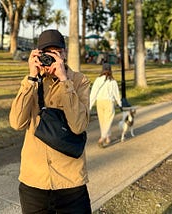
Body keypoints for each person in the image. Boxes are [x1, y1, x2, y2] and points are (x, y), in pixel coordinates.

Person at [9, 29, 92, 213]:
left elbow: (79, 126)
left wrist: (64, 80)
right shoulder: (32, 80)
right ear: (38, 54)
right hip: (34, 181)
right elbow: (16, 122)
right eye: (48, 54)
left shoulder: (79, 81)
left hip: (70, 182)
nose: (52, 59)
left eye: (57, 53)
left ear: (64, 54)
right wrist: (31, 77)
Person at [89, 63, 122, 147]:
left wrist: (90, 105)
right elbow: (116, 94)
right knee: (108, 120)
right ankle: (103, 137)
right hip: (109, 102)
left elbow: (93, 93)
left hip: (99, 102)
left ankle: (108, 137)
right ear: (110, 70)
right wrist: (119, 103)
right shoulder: (112, 81)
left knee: (103, 121)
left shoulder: (98, 80)